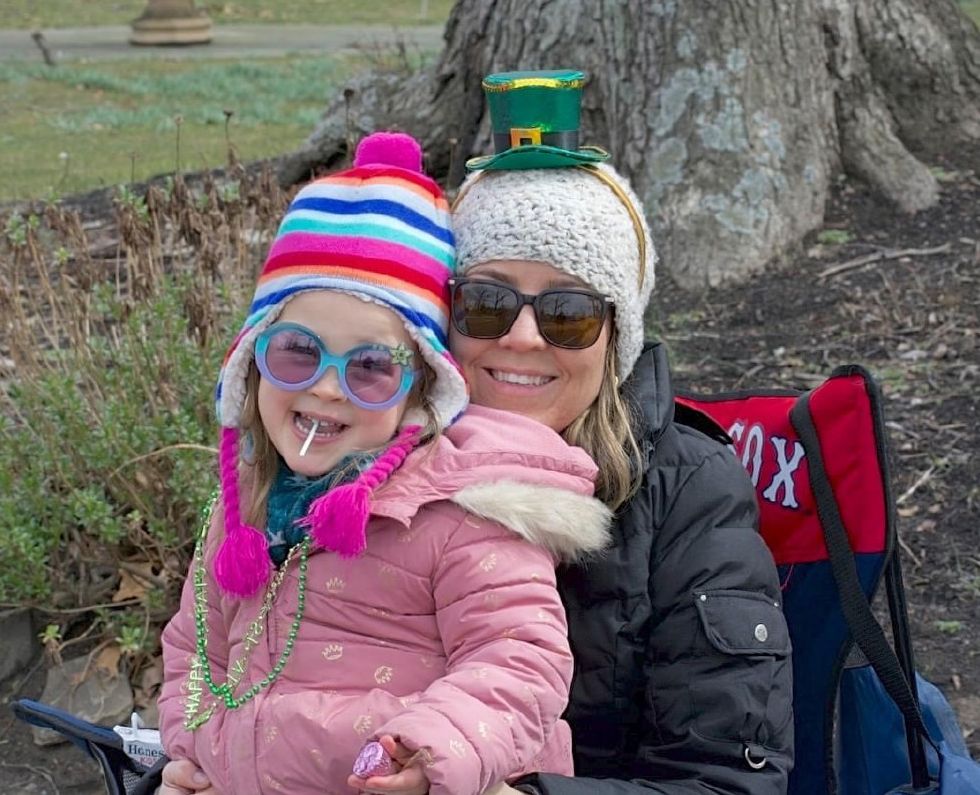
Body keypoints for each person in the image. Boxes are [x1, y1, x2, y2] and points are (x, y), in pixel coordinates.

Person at [156, 131, 612, 795]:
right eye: (296, 352)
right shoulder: (242, 508)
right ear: (250, 364)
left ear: (423, 389)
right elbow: (193, 648)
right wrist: (195, 751)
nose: (326, 386)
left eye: (371, 367)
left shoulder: (459, 510)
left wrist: (431, 752)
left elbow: (519, 659)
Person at [446, 70, 794, 794]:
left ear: (616, 338)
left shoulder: (685, 492)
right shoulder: (378, 465)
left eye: (567, 313)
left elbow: (729, 781)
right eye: (484, 302)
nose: (520, 337)